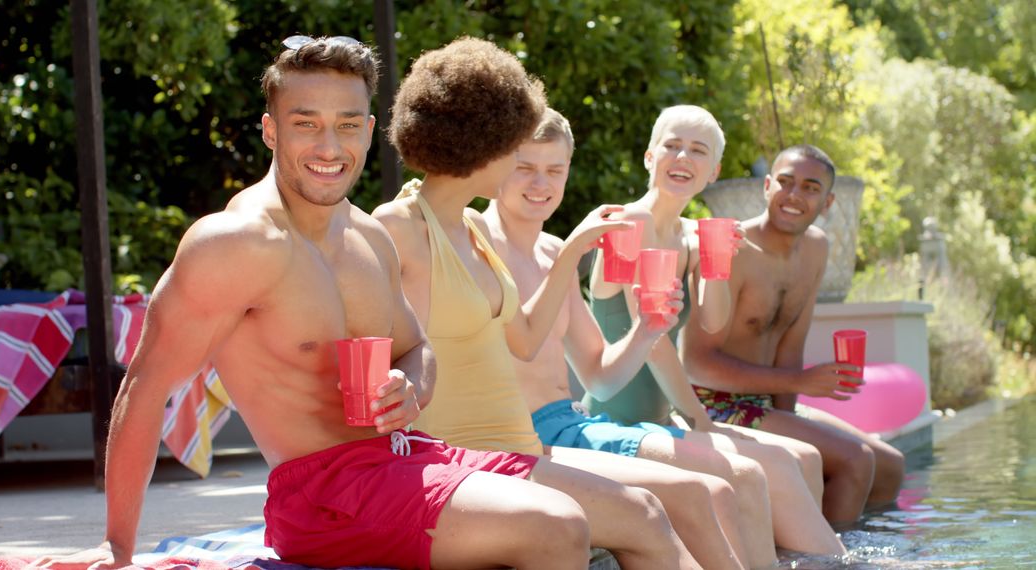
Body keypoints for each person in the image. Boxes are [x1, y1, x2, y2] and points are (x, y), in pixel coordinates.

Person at [35, 36, 681, 570]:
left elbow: (414, 346)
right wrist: (115, 546)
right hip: (321, 492)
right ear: (269, 130)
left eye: (347, 125)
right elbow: (144, 390)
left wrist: (412, 387)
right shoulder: (235, 245)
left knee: (643, 515)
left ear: (370, 131)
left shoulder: (367, 236)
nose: (328, 147)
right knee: (555, 527)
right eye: (305, 124)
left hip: (412, 457)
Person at [375, 37, 742, 569]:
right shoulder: (396, 226)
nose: (532, 175)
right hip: (465, 456)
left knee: (653, 508)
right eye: (518, 152)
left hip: (519, 446)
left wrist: (583, 264)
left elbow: (522, 338)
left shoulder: (472, 227)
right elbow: (371, 346)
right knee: (644, 513)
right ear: (485, 143)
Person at [483, 106, 844, 561]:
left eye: (698, 150)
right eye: (673, 145)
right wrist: (698, 419)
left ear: (713, 172)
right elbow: (642, 352)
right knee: (742, 474)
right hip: (620, 416)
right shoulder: (619, 227)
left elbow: (703, 324)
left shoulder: (676, 237)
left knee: (797, 460)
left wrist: (715, 266)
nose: (683, 157)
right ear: (650, 156)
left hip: (611, 415)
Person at [681, 144, 905, 524]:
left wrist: (794, 423)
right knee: (855, 460)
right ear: (767, 186)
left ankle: (863, 547)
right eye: (785, 182)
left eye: (810, 187)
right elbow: (696, 365)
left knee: (890, 466)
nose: (794, 195)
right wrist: (799, 382)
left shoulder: (816, 248)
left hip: (764, 403)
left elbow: (790, 345)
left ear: (828, 201)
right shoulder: (733, 250)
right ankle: (830, 561)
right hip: (710, 405)